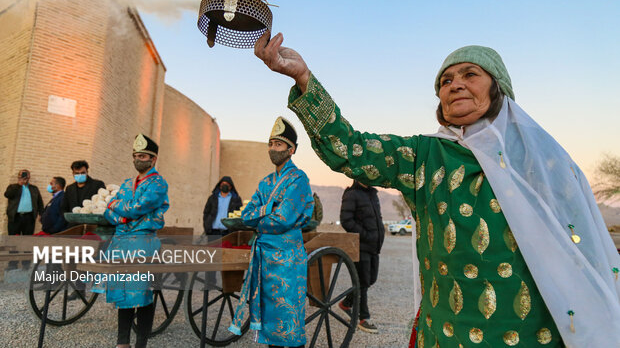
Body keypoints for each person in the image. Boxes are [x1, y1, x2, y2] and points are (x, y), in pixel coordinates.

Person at [254, 33, 620, 347]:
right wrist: (303, 78)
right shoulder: (424, 157)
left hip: (529, 333)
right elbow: (350, 149)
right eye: (445, 81)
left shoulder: (540, 161)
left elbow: (582, 246)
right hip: (446, 333)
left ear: (498, 87)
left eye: (469, 74)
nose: (455, 84)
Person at [229, 117, 314, 348]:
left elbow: (283, 219)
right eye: (270, 144)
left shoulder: (298, 179)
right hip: (264, 260)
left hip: (286, 260)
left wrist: (259, 216)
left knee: (288, 323)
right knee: (268, 323)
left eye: (278, 144)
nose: (273, 149)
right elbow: (247, 214)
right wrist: (269, 208)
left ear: (291, 149)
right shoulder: (265, 182)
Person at [101, 134, 169, 348]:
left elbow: (138, 207)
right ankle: (122, 343)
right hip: (121, 243)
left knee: (142, 293)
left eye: (143, 156)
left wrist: (119, 208)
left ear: (153, 159)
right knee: (122, 293)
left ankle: (141, 344)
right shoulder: (127, 183)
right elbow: (108, 211)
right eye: (135, 155)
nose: (138, 159)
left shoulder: (158, 183)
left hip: (143, 242)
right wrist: (122, 215)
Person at [338, 180, 384, 333]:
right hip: (360, 246)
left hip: (373, 246)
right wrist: (365, 235)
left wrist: (377, 237)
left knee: (371, 279)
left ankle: (346, 304)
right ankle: (363, 318)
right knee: (362, 282)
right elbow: (346, 220)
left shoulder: (372, 194)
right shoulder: (352, 194)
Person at [4, 169, 44, 268]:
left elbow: (39, 202)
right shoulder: (13, 187)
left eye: (25, 175)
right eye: (21, 175)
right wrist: (19, 184)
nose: (24, 177)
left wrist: (41, 214)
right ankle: (13, 263)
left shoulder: (34, 188)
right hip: (15, 217)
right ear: (18, 176)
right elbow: (7, 195)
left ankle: (26, 263)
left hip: (29, 218)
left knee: (27, 240)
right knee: (14, 241)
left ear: (29, 176)